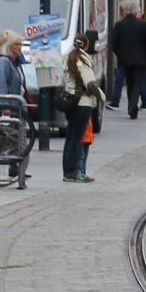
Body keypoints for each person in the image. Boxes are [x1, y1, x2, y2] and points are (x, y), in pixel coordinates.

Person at [62, 33, 105, 182]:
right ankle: (74, 171)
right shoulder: (83, 59)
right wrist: (102, 96)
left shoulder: (69, 57)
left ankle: (68, 170)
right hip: (83, 103)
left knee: (71, 138)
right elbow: (90, 84)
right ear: (86, 45)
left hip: (71, 102)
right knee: (77, 138)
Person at [108, 1, 146, 120]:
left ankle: (132, 106)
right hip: (141, 60)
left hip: (124, 59)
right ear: (136, 11)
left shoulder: (119, 25)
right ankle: (132, 106)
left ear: (125, 11)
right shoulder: (144, 25)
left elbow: (114, 44)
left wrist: (120, 54)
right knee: (136, 83)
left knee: (130, 83)